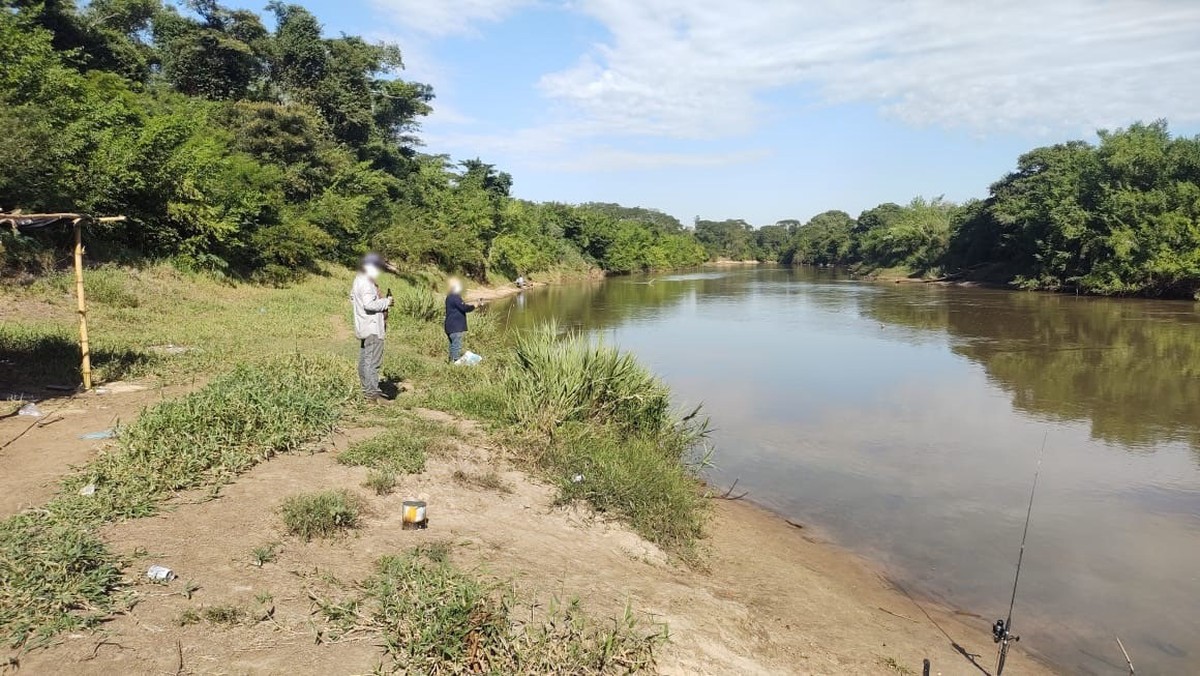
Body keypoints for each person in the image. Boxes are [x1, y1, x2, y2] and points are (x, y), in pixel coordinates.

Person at [350, 253, 393, 401]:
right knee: (372, 362)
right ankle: (371, 393)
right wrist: (386, 302)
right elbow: (369, 304)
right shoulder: (366, 283)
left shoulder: (358, 280)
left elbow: (353, 298)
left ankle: (367, 389)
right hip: (373, 327)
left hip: (364, 326)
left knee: (365, 360)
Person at [443, 277, 479, 362]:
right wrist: (474, 305)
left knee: (453, 345)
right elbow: (463, 308)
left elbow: (460, 305)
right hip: (455, 327)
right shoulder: (455, 297)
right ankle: (455, 363)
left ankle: (451, 362)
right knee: (456, 346)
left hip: (449, 326)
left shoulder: (449, 297)